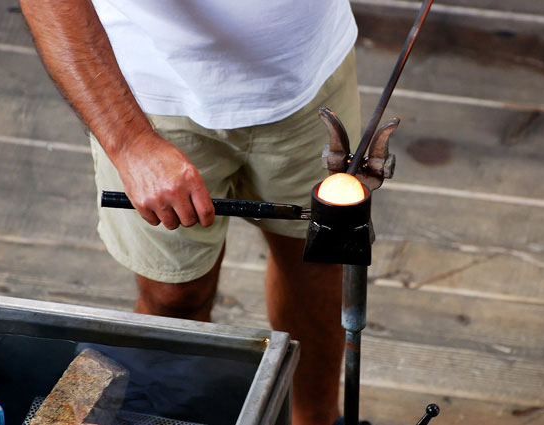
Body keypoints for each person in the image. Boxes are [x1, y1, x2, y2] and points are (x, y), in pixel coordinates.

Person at [20, 1, 361, 424]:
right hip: (149, 93)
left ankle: (316, 418)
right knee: (174, 295)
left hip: (309, 72)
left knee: (316, 264)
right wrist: (130, 142)